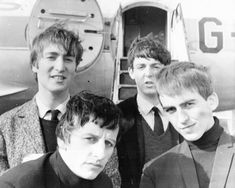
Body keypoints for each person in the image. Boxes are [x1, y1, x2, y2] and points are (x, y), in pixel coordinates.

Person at [0, 23, 120, 188]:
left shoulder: (98, 123)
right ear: (35, 64)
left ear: (76, 67)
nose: (60, 67)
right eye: (51, 57)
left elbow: (111, 180)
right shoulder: (6, 125)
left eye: (68, 59)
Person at [140, 61, 235, 188]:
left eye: (189, 104)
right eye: (171, 110)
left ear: (211, 101)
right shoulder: (155, 171)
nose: (182, 118)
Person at [0, 91, 121, 188]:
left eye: (109, 143)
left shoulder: (103, 183)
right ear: (62, 139)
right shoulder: (16, 184)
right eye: (90, 139)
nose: (101, 153)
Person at [117, 34, 181, 188]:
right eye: (141, 66)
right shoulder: (119, 114)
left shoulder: (180, 111)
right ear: (131, 72)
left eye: (156, 66)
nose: (149, 73)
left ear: (166, 70)